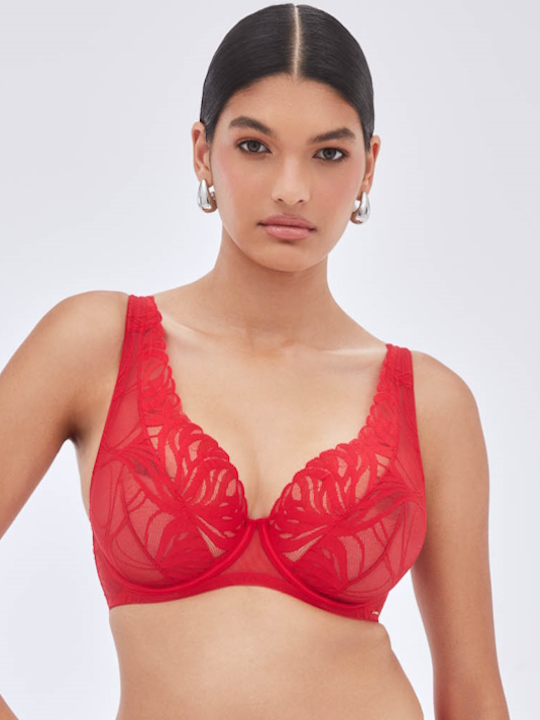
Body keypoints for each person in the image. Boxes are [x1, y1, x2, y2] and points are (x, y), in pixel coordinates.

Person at [0, 4, 510, 719]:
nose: (291, 187)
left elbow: (474, 694)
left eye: (328, 154)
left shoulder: (431, 402)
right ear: (202, 151)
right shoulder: (96, 344)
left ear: (369, 166)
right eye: (255, 146)